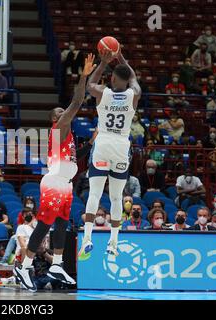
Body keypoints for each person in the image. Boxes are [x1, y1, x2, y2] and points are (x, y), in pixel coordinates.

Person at [14, 53, 96, 292]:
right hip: (54, 181)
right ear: (55, 118)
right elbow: (77, 102)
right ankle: (24, 265)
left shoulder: (68, 138)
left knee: (62, 224)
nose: (65, 113)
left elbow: (75, 158)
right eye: (61, 111)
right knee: (45, 225)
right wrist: (83, 77)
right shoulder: (58, 127)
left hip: (66, 182)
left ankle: (57, 264)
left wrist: (89, 144)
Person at [78, 48, 142, 260]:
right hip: (121, 146)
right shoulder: (134, 94)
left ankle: (87, 238)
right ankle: (113, 243)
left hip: (103, 143)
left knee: (95, 194)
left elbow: (89, 85)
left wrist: (104, 62)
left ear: (113, 78)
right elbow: (132, 77)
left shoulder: (103, 93)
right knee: (116, 197)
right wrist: (120, 57)